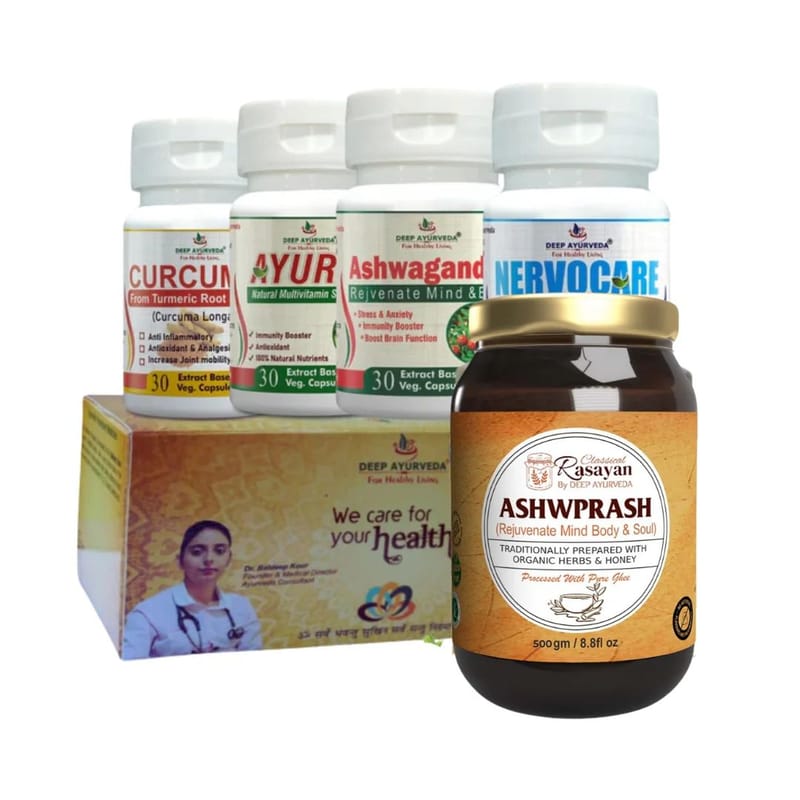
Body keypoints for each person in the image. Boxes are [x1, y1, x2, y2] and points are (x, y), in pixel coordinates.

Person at [122, 520, 262, 658]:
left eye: (219, 551)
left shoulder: (242, 607)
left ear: (229, 559)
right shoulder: (147, 614)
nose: (209, 559)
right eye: (197, 552)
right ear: (180, 560)